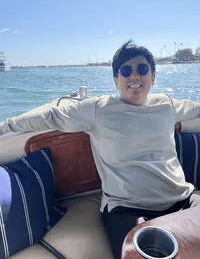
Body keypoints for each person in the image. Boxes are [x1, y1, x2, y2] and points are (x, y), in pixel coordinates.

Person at [1, 40, 200, 259]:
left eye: (142, 69)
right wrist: (6, 126)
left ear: (153, 77)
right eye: (126, 71)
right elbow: (49, 116)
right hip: (129, 210)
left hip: (183, 199)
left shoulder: (167, 104)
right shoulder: (99, 109)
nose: (134, 76)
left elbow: (196, 108)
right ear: (116, 81)